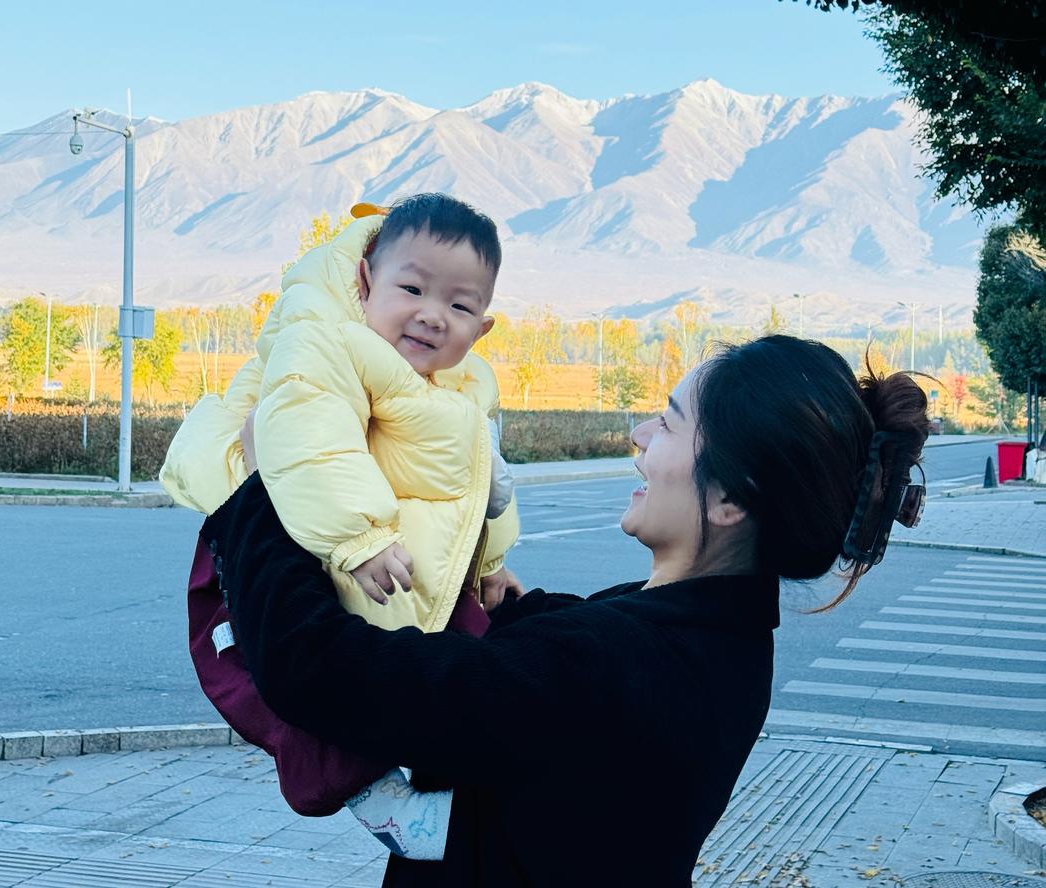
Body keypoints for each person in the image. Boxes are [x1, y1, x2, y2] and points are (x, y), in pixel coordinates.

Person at [203, 335, 929, 886]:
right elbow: (546, 657)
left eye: (670, 425)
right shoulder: (717, 637)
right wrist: (480, 576)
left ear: (731, 498)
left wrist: (274, 488)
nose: (639, 435)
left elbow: (317, 670)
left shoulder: (617, 663)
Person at [161, 193, 522, 858]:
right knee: (322, 685)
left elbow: (468, 480)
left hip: (382, 550)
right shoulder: (327, 341)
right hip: (292, 538)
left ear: (484, 327)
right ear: (365, 282)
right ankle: (384, 806)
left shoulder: (464, 384)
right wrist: (358, 537)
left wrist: (490, 563)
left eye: (459, 305)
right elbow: (310, 434)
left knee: (463, 653)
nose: (431, 315)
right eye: (411, 288)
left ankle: (461, 790)